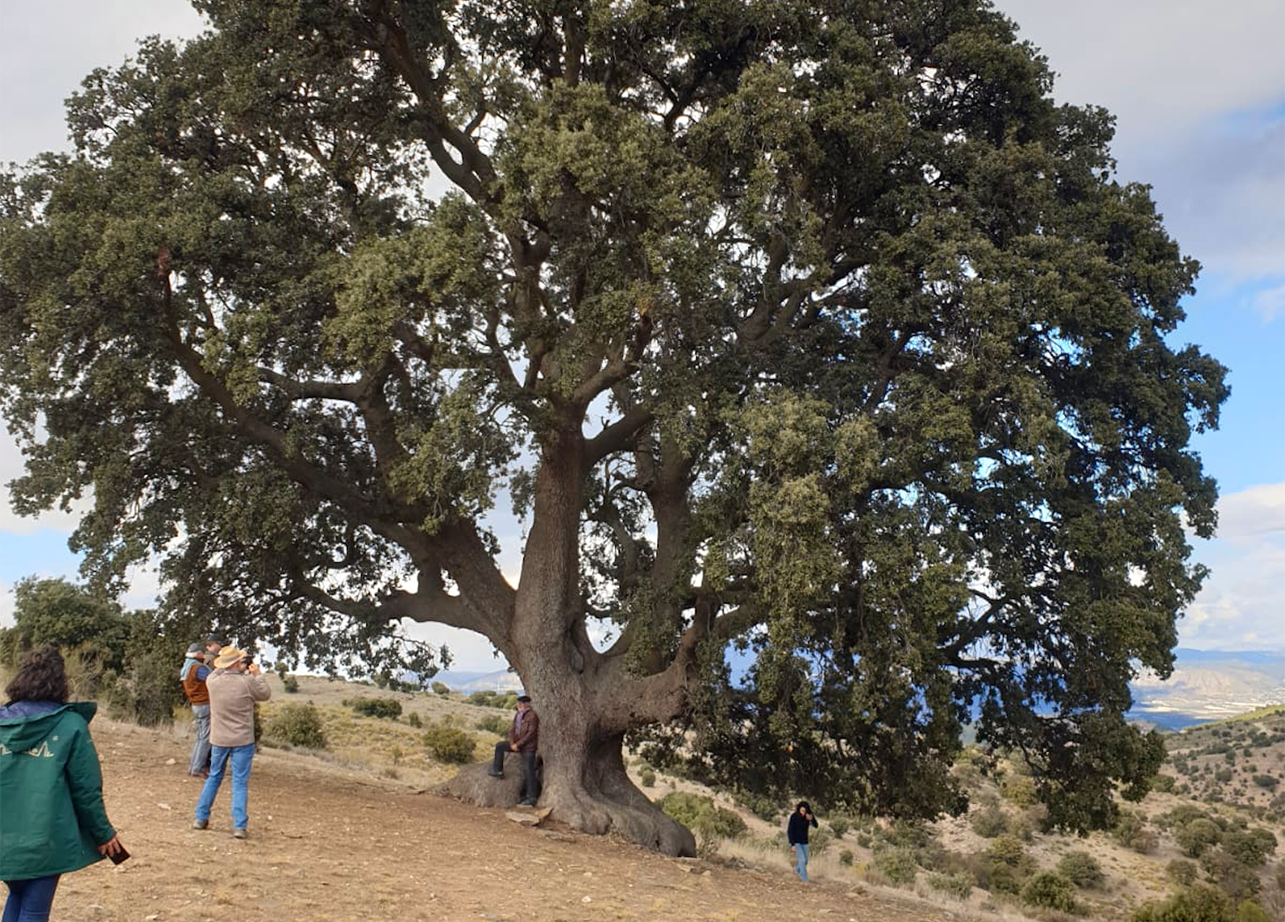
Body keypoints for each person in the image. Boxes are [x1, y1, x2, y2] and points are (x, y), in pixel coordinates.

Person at [0, 646, 126, 921]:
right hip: (44, 841)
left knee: (17, 895)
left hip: (5, 842)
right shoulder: (71, 725)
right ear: (60, 681)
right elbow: (86, 790)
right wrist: (104, 833)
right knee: (33, 908)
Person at [192, 646, 270, 839]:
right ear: (237, 663)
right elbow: (265, 694)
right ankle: (239, 826)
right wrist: (257, 673)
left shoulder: (213, 681)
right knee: (239, 782)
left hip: (219, 739)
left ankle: (201, 818)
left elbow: (219, 669)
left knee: (214, 777)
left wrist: (227, 659)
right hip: (243, 739)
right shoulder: (248, 682)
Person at [488, 693, 540, 806]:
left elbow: (531, 734)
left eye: (521, 703)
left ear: (526, 704)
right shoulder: (518, 715)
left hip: (528, 748)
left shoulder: (532, 716)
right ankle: (497, 770)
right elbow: (512, 730)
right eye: (518, 703)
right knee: (500, 746)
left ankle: (531, 797)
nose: (519, 705)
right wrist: (512, 743)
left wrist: (518, 744)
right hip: (516, 745)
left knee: (529, 771)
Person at [179, 642, 212, 778]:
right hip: (205, 703)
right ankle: (197, 768)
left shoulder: (186, 668)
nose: (204, 655)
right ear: (198, 653)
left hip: (195, 704)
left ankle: (193, 766)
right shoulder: (198, 668)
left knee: (200, 737)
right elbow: (212, 680)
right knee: (205, 738)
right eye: (202, 653)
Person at [787, 801, 819, 882]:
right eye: (802, 810)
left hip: (805, 842)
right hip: (796, 842)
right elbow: (790, 830)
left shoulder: (808, 817)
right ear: (799, 809)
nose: (803, 813)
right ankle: (805, 880)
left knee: (806, 861)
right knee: (802, 860)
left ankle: (796, 870)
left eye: (804, 811)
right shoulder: (794, 816)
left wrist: (812, 819)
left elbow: (816, 826)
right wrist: (792, 844)